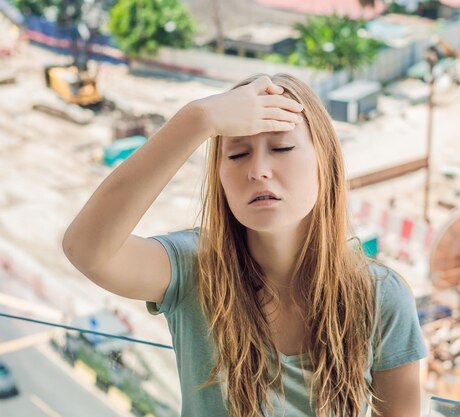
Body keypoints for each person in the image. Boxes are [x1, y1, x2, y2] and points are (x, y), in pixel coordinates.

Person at [62, 73, 428, 417]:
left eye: (282, 148)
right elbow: (87, 250)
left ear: (325, 164)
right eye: (237, 155)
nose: (258, 170)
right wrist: (197, 119)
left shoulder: (380, 297)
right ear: (219, 178)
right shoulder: (194, 269)